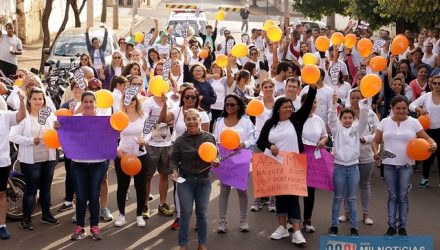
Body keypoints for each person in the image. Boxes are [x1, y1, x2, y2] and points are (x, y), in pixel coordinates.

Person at [256, 85, 317, 245]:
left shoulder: (296, 120)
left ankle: (296, 232)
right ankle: (282, 228)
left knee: (292, 198)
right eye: (286, 107)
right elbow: (260, 142)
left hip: (293, 166)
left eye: (291, 107)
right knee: (280, 198)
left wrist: (312, 89)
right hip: (275, 166)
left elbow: (307, 105)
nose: (289, 109)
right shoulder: (270, 124)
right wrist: (270, 146)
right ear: (278, 109)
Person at [372, 95, 437, 237]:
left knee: (403, 196)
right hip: (388, 164)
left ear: (408, 109)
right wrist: (376, 152)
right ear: (392, 108)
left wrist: (434, 144)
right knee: (391, 196)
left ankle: (402, 227)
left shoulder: (414, 123)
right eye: (398, 108)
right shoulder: (384, 122)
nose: (401, 111)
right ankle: (391, 226)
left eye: (404, 108)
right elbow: (375, 141)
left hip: (406, 165)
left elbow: (427, 138)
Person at [160, 85, 210, 230]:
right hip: (179, 153)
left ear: (196, 99)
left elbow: (206, 138)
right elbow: (163, 119)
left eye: (192, 97)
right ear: (182, 98)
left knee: (198, 189)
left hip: (198, 157)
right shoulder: (176, 111)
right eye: (186, 96)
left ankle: (199, 219)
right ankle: (180, 217)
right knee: (179, 185)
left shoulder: (203, 114)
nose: (189, 99)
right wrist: (164, 104)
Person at [10, 88, 59, 231]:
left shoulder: (48, 115)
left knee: (46, 188)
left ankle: (46, 215)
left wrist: (58, 127)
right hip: (31, 161)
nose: (38, 101)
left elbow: (56, 131)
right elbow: (12, 136)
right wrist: (31, 140)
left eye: (40, 99)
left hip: (49, 157)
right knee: (31, 189)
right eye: (35, 99)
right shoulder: (23, 117)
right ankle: (25, 220)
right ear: (29, 100)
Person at [170, 108, 218, 250]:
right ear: (184, 122)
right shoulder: (179, 141)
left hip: (204, 181)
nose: (191, 121)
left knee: (202, 214)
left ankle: (201, 243)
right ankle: (183, 245)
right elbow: (173, 159)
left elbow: (217, 154)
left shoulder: (209, 137)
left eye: (194, 118)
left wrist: (216, 160)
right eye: (188, 119)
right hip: (185, 181)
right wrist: (173, 171)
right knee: (185, 214)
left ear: (200, 120)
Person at [68, 91, 109, 241]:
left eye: (91, 101)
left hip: (98, 164)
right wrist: (59, 127)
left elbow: (110, 137)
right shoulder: (75, 119)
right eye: (86, 101)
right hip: (78, 164)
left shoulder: (104, 120)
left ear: (96, 103)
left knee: (93, 195)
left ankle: (95, 227)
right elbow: (67, 137)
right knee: (80, 196)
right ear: (82, 103)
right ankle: (79, 227)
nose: (88, 104)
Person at [328, 91, 369, 237]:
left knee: (351, 198)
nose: (347, 120)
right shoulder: (336, 130)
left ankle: (354, 227)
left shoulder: (357, 130)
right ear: (341, 119)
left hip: (353, 168)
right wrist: (334, 104)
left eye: (350, 118)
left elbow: (364, 121)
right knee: (338, 197)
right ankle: (334, 226)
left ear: (353, 119)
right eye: (344, 117)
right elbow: (331, 119)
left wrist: (365, 104)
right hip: (339, 167)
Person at [213, 94, 256, 233]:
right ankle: (222, 221)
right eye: (227, 105)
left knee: (242, 191)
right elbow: (214, 139)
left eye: (232, 104)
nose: (229, 107)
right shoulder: (219, 121)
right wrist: (217, 156)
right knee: (224, 191)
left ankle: (244, 220)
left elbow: (253, 138)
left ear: (239, 106)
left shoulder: (246, 121)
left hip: (241, 159)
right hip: (225, 160)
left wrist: (244, 143)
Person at [338, 89, 379, 226]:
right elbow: (337, 132)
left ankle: (366, 214)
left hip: (366, 155)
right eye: (353, 98)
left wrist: (366, 139)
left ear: (362, 98)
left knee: (365, 185)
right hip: (348, 158)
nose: (355, 100)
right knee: (347, 186)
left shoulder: (371, 114)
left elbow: (378, 134)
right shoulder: (345, 114)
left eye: (358, 98)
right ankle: (346, 213)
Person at [114, 94, 149, 227]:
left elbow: (149, 132)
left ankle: (139, 215)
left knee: (140, 186)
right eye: (126, 99)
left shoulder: (144, 116)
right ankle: (121, 215)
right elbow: (112, 135)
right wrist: (116, 149)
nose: (130, 102)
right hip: (122, 156)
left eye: (132, 99)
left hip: (140, 156)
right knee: (122, 186)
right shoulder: (119, 116)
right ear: (123, 101)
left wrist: (144, 141)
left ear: (136, 101)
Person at [142, 88, 174, 219]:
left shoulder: (170, 101)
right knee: (147, 176)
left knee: (164, 175)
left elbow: (172, 120)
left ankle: (162, 204)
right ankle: (144, 205)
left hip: (167, 144)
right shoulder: (148, 102)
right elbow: (144, 121)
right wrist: (161, 122)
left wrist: (167, 119)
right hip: (151, 144)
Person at [300, 93, 328, 233]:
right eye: (310, 102)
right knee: (294, 189)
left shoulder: (319, 120)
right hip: (298, 158)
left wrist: (322, 141)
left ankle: (307, 219)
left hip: (314, 160)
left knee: (310, 191)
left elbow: (324, 135)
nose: (313, 105)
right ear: (302, 103)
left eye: (315, 102)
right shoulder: (297, 119)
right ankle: (291, 220)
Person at [0, 87, 25, 240]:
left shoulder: (4, 116)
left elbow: (21, 116)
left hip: (2, 162)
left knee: (2, 193)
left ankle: (2, 226)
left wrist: (22, 101)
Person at [409, 75, 440, 188]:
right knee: (428, 155)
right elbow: (411, 105)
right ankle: (425, 178)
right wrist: (420, 109)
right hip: (428, 131)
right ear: (431, 84)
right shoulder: (426, 96)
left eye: (439, 83)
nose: (437, 85)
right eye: (435, 83)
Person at [250, 79, 276, 213]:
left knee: (272, 172)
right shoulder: (256, 103)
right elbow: (248, 116)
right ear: (261, 89)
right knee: (259, 172)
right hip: (259, 141)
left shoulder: (278, 103)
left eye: (270, 86)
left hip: (274, 142)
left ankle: (272, 199)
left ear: (274, 88)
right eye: (265, 87)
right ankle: (258, 199)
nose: (268, 89)